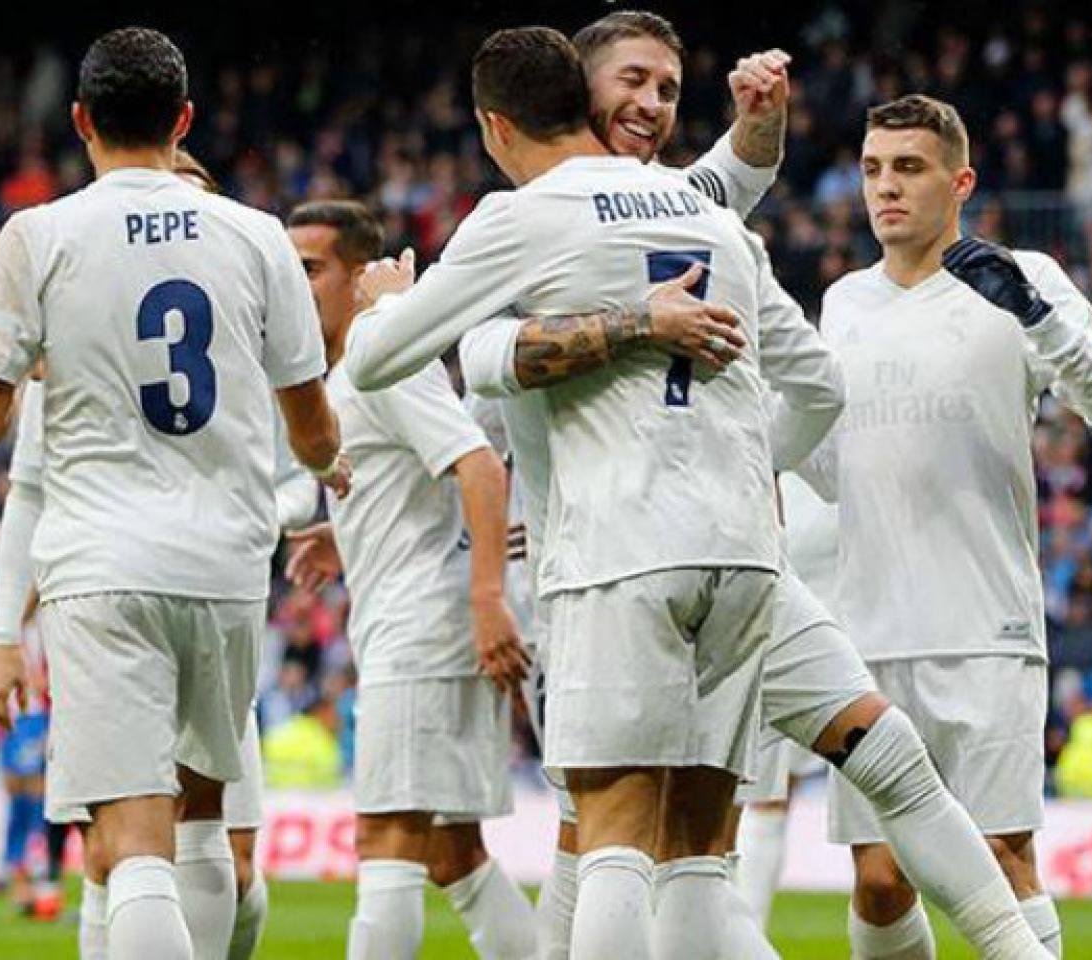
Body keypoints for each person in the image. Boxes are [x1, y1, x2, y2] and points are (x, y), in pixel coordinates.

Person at [453, 14, 1056, 958]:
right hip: (595, 563)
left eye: (666, 89)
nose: (651, 106)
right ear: (573, 95)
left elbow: (734, 184)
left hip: (714, 552)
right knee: (618, 834)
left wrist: (758, 120)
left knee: (699, 837)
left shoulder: (670, 203)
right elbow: (465, 356)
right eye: (632, 82)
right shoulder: (520, 225)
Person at [342, 27, 843, 957]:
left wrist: (379, 302)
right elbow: (824, 385)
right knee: (696, 850)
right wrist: (760, 468)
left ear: (496, 127)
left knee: (609, 833)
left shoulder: (518, 215)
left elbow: (375, 362)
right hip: (741, 554)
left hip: (621, 551)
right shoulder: (700, 209)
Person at [0, 28, 345, 960]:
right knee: (204, 822)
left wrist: (48, 362)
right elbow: (315, 428)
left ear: (80, 120)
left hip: (101, 563)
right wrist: (327, 468)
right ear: (185, 122)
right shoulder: (256, 236)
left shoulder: (38, 234)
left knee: (130, 842)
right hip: (225, 564)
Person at [809, 93, 1092, 958]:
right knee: (881, 879)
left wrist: (1036, 311)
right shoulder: (843, 302)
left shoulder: (1019, 276)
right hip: (869, 631)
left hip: (985, 626)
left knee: (1002, 852)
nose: (885, 188)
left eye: (909, 169)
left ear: (960, 180)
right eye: (875, 168)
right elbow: (829, 462)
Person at [0, 148, 283, 959]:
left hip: (150, 590)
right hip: (207, 584)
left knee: (197, 847)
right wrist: (6, 628)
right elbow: (30, 491)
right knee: (117, 846)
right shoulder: (79, 350)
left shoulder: (233, 336)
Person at [287, 198, 535, 959]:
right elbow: (429, 469)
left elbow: (479, 465)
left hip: (424, 627)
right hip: (418, 620)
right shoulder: (346, 369)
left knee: (385, 839)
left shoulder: (375, 354)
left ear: (358, 277)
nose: (296, 286)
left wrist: (487, 598)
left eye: (312, 270)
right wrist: (345, 532)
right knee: (450, 851)